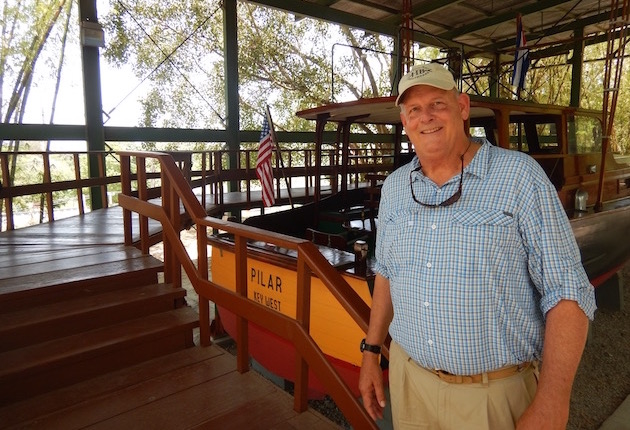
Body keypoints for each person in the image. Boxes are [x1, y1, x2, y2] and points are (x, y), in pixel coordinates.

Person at [358, 63, 596, 429]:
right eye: (414, 110)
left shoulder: (520, 177)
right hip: (410, 384)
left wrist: (552, 401)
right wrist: (371, 352)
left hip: (492, 397)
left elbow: (567, 291)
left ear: (463, 107)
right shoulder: (394, 188)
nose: (427, 117)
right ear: (405, 122)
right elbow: (387, 273)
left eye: (438, 103)